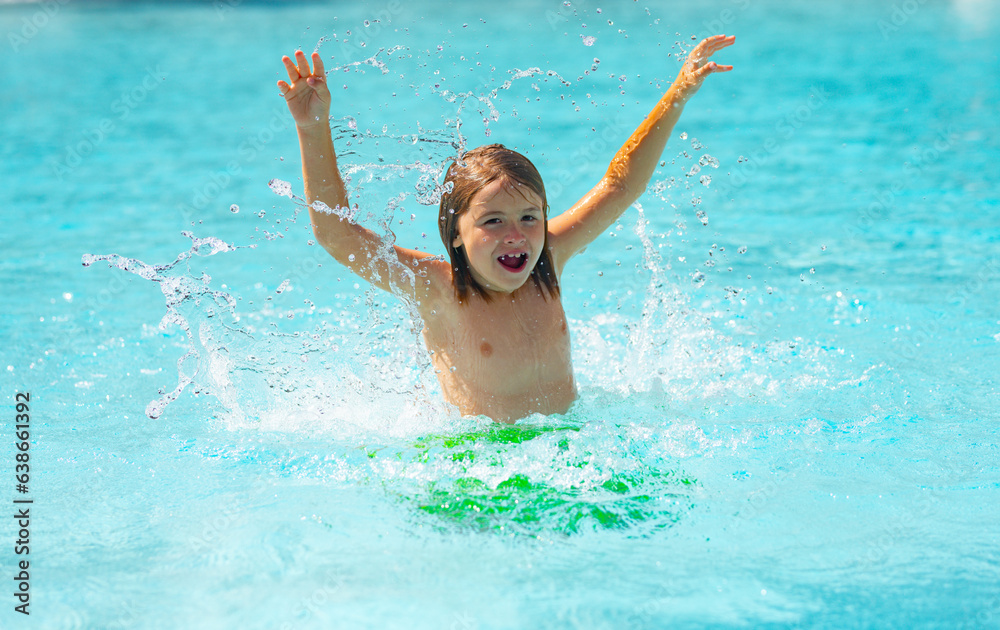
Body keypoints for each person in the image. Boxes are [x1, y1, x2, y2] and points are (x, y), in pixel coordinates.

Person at [277, 34, 735, 423]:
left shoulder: (548, 260)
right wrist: (313, 128)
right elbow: (337, 236)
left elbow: (621, 183)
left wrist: (677, 95)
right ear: (455, 231)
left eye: (529, 218)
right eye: (493, 221)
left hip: (566, 446)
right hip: (483, 464)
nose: (516, 235)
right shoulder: (439, 288)